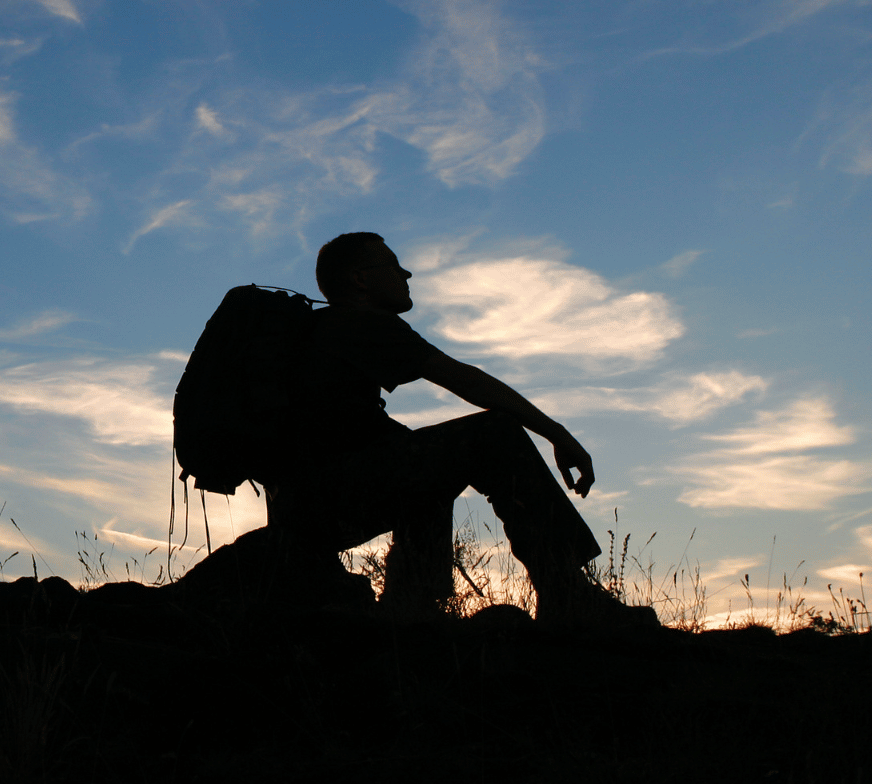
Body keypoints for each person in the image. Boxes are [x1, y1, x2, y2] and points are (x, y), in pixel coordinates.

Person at [260, 231, 655, 627]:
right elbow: (466, 381)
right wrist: (557, 433)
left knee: (422, 456)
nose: (406, 273)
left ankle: (411, 603)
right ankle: (564, 590)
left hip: (302, 506)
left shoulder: (320, 331)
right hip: (323, 502)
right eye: (393, 265)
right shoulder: (360, 324)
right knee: (492, 434)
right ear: (361, 279)